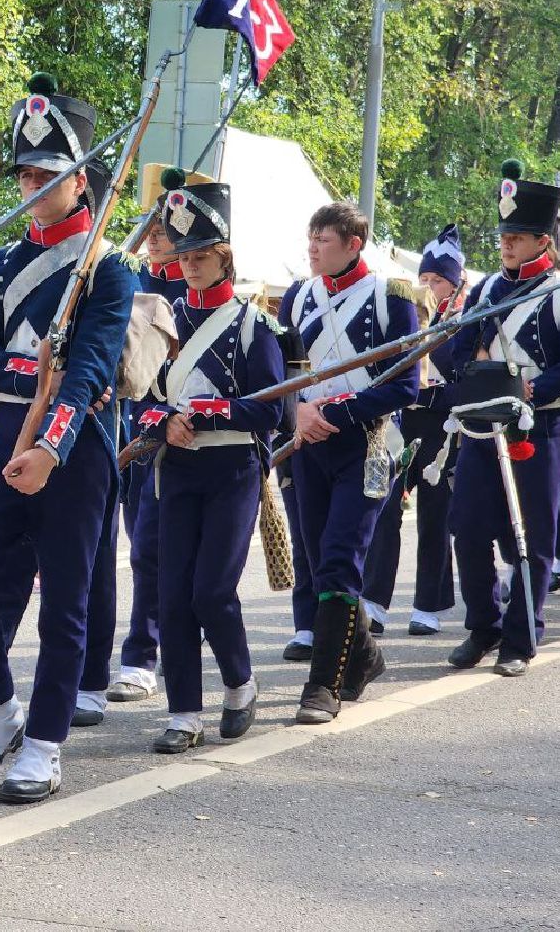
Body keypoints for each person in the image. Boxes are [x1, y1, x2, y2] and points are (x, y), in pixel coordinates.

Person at [0, 72, 136, 804]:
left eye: (43, 174)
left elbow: (88, 371)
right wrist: (31, 367)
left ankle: (46, 744)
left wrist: (49, 446)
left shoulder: (108, 268)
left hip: (74, 448)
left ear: (78, 180)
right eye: (23, 172)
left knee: (65, 600)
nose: (29, 184)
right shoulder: (13, 261)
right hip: (4, 437)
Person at [128, 170, 281, 751]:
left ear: (225, 257)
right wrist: (163, 420)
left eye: (201, 254)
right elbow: (140, 396)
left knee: (212, 591)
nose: (190, 263)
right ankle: (184, 711)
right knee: (171, 594)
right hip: (175, 469)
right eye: (184, 253)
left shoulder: (253, 324)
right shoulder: (161, 318)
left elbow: (270, 411)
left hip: (232, 470)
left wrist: (206, 416)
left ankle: (240, 684)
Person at [435, 161, 560, 675]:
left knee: (534, 535)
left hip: (541, 426)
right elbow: (454, 351)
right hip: (484, 425)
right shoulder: (482, 292)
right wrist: (470, 366)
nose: (507, 244)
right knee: (468, 528)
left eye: (519, 236)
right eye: (504, 234)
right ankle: (484, 624)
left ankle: (521, 638)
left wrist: (532, 387)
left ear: (543, 242)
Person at [279, 200, 419, 723]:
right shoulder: (297, 297)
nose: (313, 248)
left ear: (353, 244)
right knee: (318, 563)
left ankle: (322, 685)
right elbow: (284, 373)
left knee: (340, 559)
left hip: (366, 443)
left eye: (324, 240)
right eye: (311, 238)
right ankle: (363, 655)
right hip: (309, 442)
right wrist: (299, 411)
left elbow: (406, 385)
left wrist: (335, 408)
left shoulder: (390, 298)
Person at [107, 175, 193, 703]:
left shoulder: (194, 292)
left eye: (164, 228)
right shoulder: (128, 278)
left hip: (179, 430)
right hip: (127, 425)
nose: (154, 236)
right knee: (137, 545)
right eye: (151, 227)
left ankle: (143, 652)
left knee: (155, 552)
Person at [361, 224, 467, 636]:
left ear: (455, 286)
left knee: (435, 516)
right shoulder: (405, 316)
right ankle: (374, 600)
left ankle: (429, 604)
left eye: (437, 280)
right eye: (423, 279)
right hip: (402, 422)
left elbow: (466, 375)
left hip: (443, 423)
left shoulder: (465, 322)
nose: (428, 286)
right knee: (384, 508)